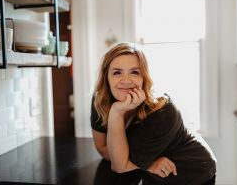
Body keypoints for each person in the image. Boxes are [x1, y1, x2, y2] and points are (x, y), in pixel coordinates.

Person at [90, 42, 216, 185]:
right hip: (152, 172)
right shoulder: (101, 101)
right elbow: (103, 148)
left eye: (134, 72)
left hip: (191, 172)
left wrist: (116, 114)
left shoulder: (162, 112)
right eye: (117, 72)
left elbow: (121, 165)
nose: (125, 81)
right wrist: (147, 163)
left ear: (144, 77)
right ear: (107, 77)